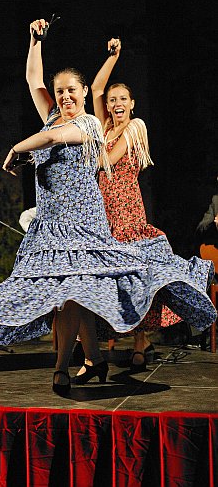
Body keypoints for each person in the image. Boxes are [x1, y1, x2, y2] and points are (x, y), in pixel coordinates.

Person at [0, 18, 216, 397]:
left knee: (69, 296)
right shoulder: (50, 113)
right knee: (71, 295)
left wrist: (19, 147)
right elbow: (33, 80)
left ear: (84, 93)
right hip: (51, 226)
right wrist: (36, 41)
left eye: (71, 91)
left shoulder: (89, 126)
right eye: (59, 91)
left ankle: (62, 367)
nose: (64, 96)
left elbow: (53, 137)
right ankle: (94, 357)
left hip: (81, 225)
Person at [73, 38, 187, 379]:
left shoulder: (136, 128)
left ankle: (140, 342)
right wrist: (114, 57)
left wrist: (101, 138)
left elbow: (108, 159)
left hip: (127, 212)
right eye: (112, 100)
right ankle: (110, 341)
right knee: (112, 281)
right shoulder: (102, 127)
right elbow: (94, 87)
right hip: (102, 213)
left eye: (123, 99)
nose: (116, 103)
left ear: (132, 104)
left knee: (135, 277)